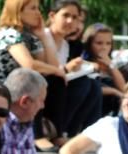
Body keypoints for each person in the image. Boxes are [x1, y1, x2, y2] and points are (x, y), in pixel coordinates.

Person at [0, 0, 63, 102]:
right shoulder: (8, 35)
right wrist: (57, 70)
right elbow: (31, 66)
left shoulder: (29, 37)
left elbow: (49, 68)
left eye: (38, 8)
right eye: (33, 8)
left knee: (55, 82)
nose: (38, 13)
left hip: (6, 93)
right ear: (18, 12)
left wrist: (43, 36)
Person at [41, 0, 101, 141]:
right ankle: (60, 133)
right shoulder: (43, 36)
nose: (70, 21)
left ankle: (75, 134)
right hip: (42, 87)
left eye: (75, 17)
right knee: (83, 84)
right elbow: (43, 71)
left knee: (93, 86)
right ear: (52, 16)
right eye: (66, 15)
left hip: (56, 87)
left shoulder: (65, 45)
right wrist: (67, 69)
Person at [81, 22, 125, 116]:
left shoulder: (111, 63)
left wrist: (111, 65)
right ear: (89, 43)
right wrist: (114, 91)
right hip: (90, 107)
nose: (104, 47)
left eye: (108, 43)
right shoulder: (83, 61)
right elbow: (89, 88)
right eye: (99, 43)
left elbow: (123, 88)